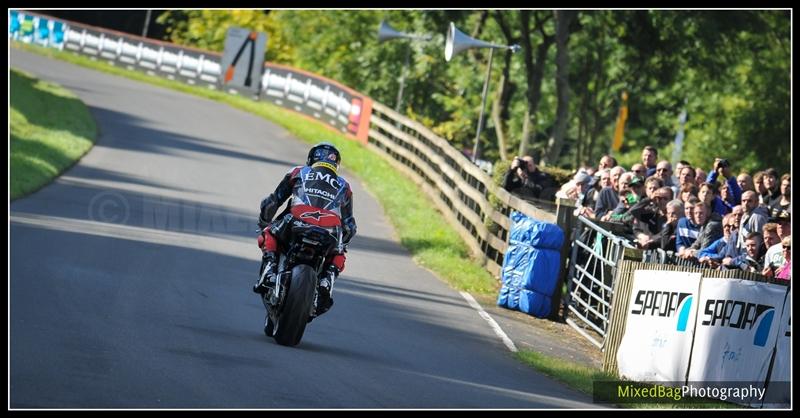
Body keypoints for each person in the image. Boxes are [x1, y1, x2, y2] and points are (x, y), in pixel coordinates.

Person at [253, 142, 357, 316]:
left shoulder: (298, 172)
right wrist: (342, 242)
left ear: (311, 159)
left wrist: (264, 221)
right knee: (339, 253)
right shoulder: (345, 186)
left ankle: (270, 268)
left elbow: (272, 202)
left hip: (297, 220)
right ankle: (326, 280)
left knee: (268, 233)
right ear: (336, 164)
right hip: (329, 229)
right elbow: (350, 226)